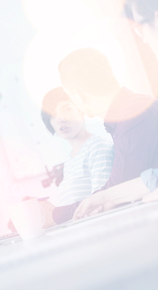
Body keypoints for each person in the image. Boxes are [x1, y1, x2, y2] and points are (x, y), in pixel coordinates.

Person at [39, 47, 158, 224]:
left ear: (76, 95)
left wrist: (56, 215)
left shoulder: (133, 115)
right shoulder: (130, 112)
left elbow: (117, 190)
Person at [72, 0, 158, 219]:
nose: (143, 38)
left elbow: (127, 178)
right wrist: (108, 197)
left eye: (141, 25)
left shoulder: (134, 113)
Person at [41, 87, 114, 206]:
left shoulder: (97, 146)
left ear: (80, 111)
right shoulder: (69, 159)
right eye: (53, 114)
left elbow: (101, 201)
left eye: (67, 109)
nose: (61, 119)